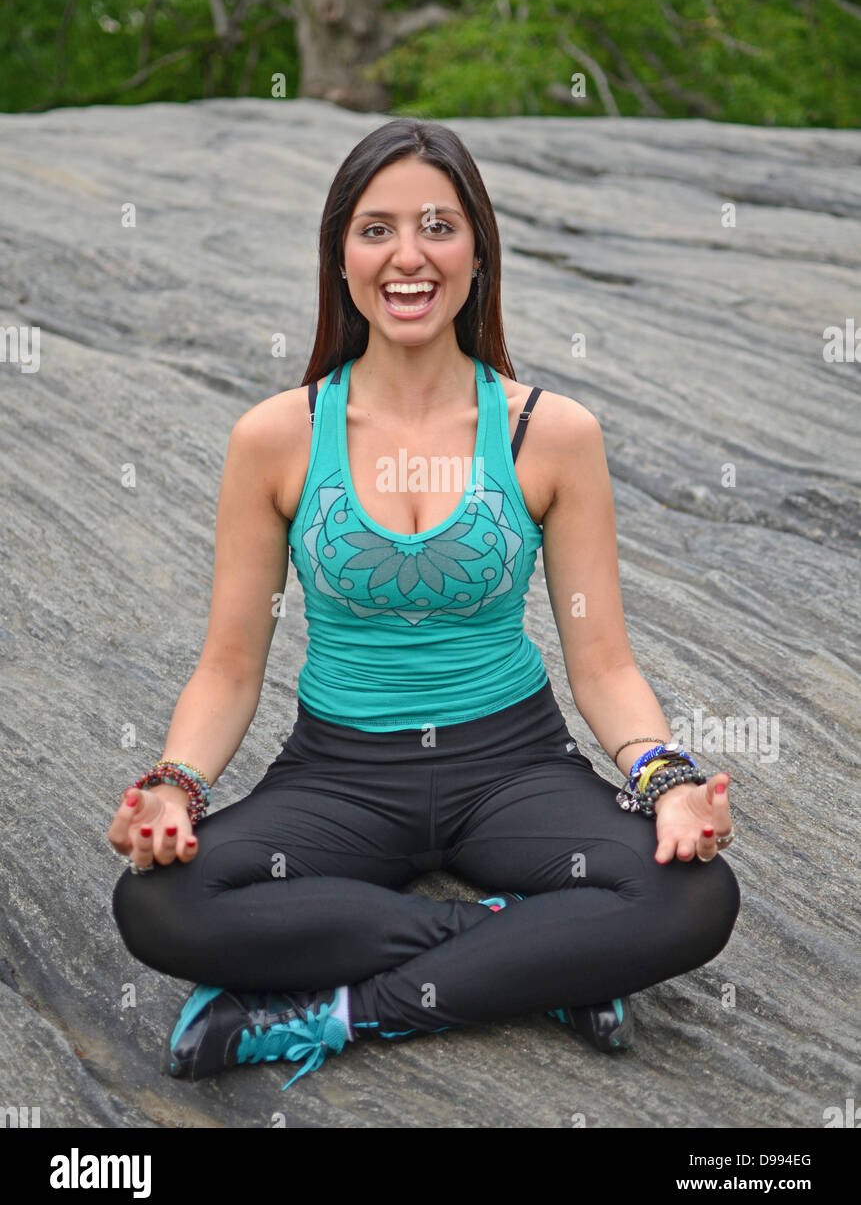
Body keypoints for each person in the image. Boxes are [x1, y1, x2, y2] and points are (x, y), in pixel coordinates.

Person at [109, 118, 740, 1094]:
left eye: (438, 227)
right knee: (158, 904)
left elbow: (605, 665)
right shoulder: (277, 436)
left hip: (514, 769)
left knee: (693, 895)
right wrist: (172, 787)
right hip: (340, 777)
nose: (408, 256)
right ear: (341, 258)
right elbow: (229, 669)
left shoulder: (551, 433)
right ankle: (534, 953)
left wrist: (667, 781)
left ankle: (340, 1012)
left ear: (478, 253)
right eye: (377, 230)